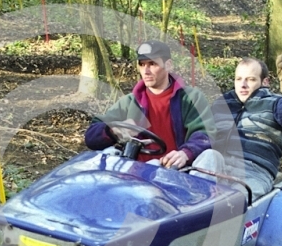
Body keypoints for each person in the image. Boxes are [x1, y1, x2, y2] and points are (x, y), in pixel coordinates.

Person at [85, 39, 216, 170]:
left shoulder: (190, 98)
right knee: (104, 156)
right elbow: (91, 136)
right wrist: (113, 131)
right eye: (142, 64)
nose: (146, 71)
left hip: (177, 173)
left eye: (152, 64)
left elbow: (205, 134)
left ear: (168, 65)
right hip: (134, 171)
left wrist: (185, 153)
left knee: (211, 156)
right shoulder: (130, 102)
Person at [196, 56, 282, 199]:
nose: (243, 85)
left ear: (265, 82)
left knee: (233, 202)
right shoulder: (222, 104)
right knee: (208, 156)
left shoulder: (275, 104)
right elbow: (201, 134)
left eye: (250, 79)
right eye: (239, 79)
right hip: (217, 165)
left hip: (253, 171)